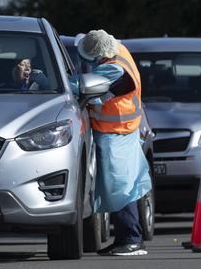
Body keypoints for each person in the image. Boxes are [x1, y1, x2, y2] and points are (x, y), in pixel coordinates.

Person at [77, 29, 152, 256]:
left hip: (116, 133)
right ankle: (125, 239)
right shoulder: (120, 51)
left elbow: (78, 86)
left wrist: (43, 81)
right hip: (122, 132)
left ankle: (131, 240)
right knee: (123, 187)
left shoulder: (112, 67)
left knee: (121, 189)